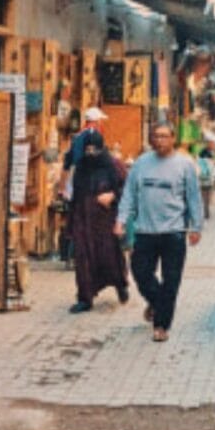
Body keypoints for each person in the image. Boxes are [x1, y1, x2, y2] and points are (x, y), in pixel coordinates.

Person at [115, 122, 203, 343]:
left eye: (164, 136)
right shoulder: (142, 163)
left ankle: (161, 325)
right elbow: (129, 194)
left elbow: (193, 197)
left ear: (173, 138)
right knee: (139, 272)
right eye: (156, 136)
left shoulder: (185, 165)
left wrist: (196, 226)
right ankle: (156, 302)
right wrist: (121, 219)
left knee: (171, 280)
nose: (160, 140)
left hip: (174, 232)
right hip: (145, 230)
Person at [67, 130, 129, 314]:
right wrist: (72, 223)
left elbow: (128, 190)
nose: (91, 153)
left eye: (95, 149)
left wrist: (112, 196)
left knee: (109, 256)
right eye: (88, 149)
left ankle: (120, 285)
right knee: (83, 259)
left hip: (105, 222)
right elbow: (75, 195)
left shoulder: (113, 165)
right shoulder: (81, 167)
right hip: (83, 222)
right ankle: (85, 297)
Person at [197, 146, 215, 219]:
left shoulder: (198, 161)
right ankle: (207, 213)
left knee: (202, 198)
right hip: (209, 182)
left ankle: (202, 212)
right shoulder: (211, 161)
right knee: (207, 199)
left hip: (200, 182)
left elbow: (196, 172)